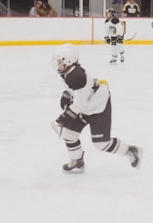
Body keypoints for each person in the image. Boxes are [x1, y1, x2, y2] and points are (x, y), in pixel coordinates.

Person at [50, 43, 141, 174]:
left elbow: (79, 105)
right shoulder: (69, 72)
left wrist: (62, 118)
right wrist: (67, 95)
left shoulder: (77, 76)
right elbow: (77, 95)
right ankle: (78, 161)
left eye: (60, 61)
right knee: (69, 134)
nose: (57, 64)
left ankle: (130, 150)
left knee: (101, 144)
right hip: (86, 105)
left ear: (68, 61)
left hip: (98, 107)